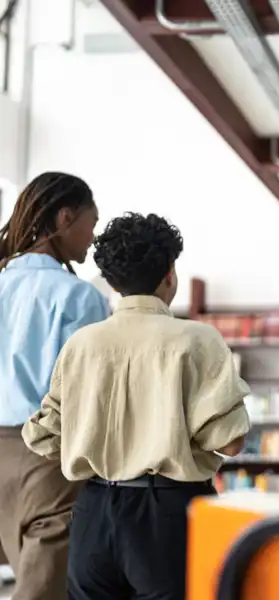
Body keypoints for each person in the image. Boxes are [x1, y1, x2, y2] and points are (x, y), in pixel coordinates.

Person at [21, 212, 252, 600]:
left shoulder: (82, 345)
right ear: (170, 275)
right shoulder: (197, 341)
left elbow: (42, 437)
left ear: (112, 283)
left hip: (94, 513)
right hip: (168, 513)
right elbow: (230, 443)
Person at [0, 172, 110, 600]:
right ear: (65, 218)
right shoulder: (79, 298)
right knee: (44, 589)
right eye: (91, 222)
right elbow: (91, 393)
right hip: (46, 460)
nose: (93, 237)